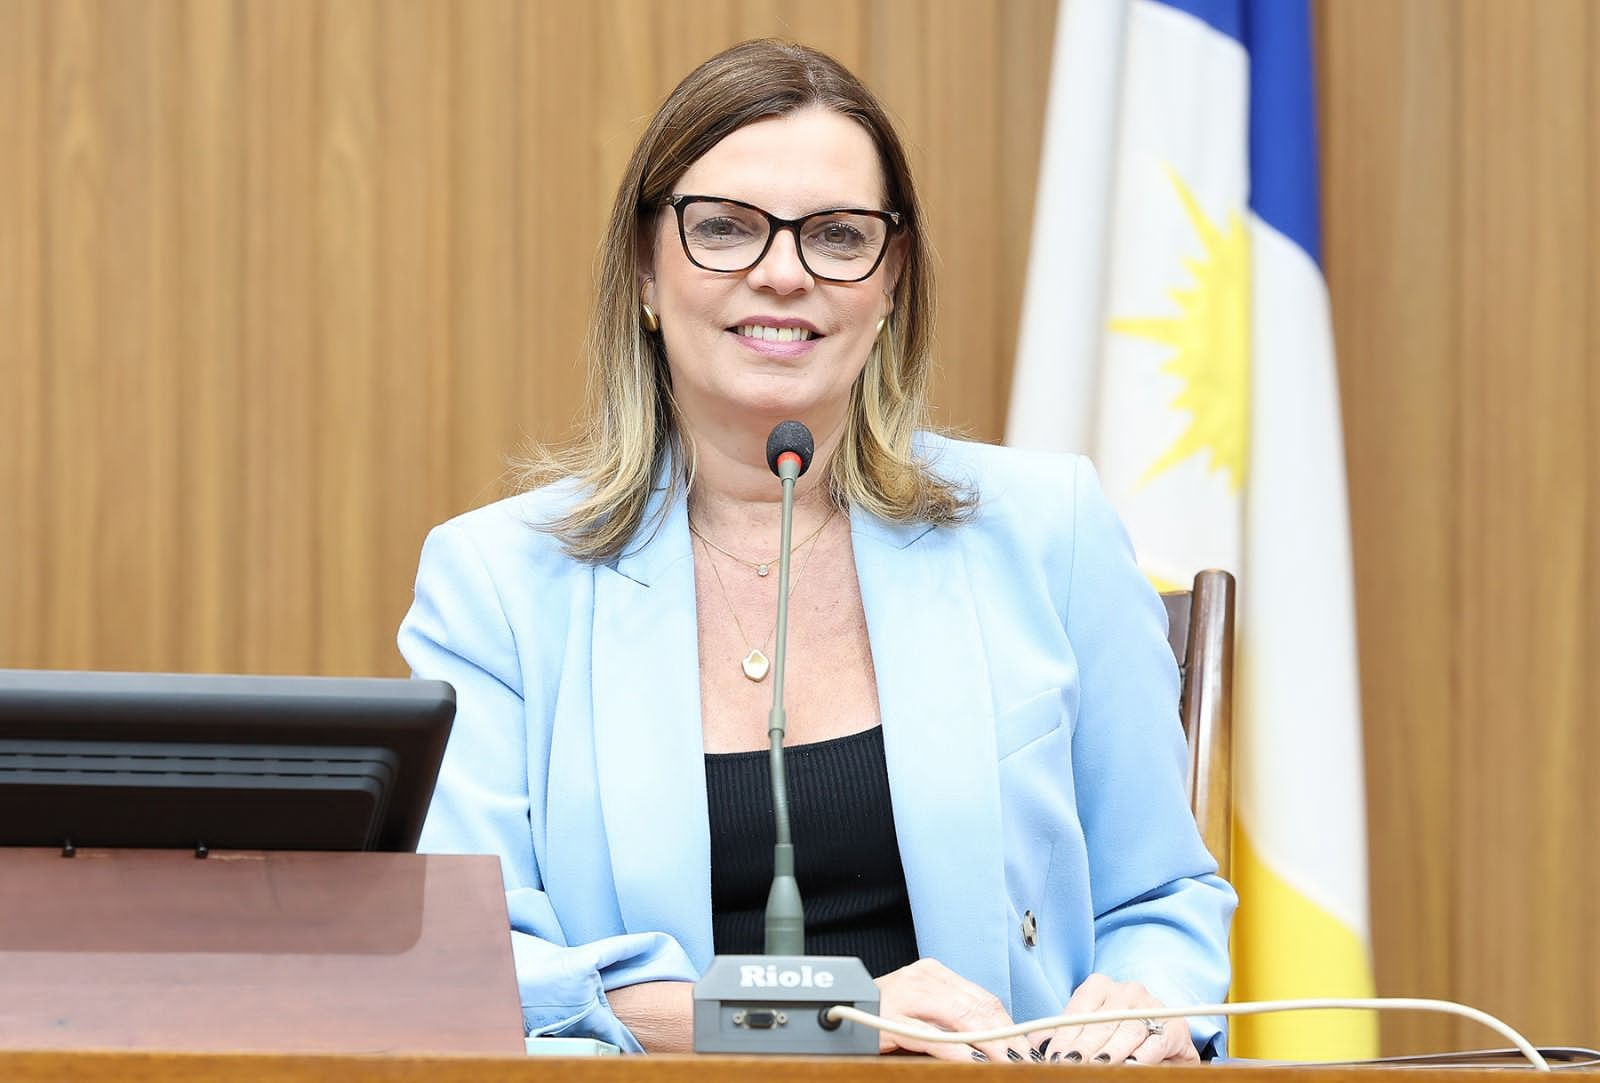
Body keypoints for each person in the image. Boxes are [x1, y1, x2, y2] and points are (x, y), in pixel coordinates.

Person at [399, 39, 1234, 1064]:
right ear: (645, 270)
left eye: (837, 236)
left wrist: (1149, 1005)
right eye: (724, 230)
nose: (783, 272)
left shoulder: (1046, 529)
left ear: (889, 284)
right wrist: (815, 1017)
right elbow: (473, 958)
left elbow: (1162, 895)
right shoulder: (497, 582)